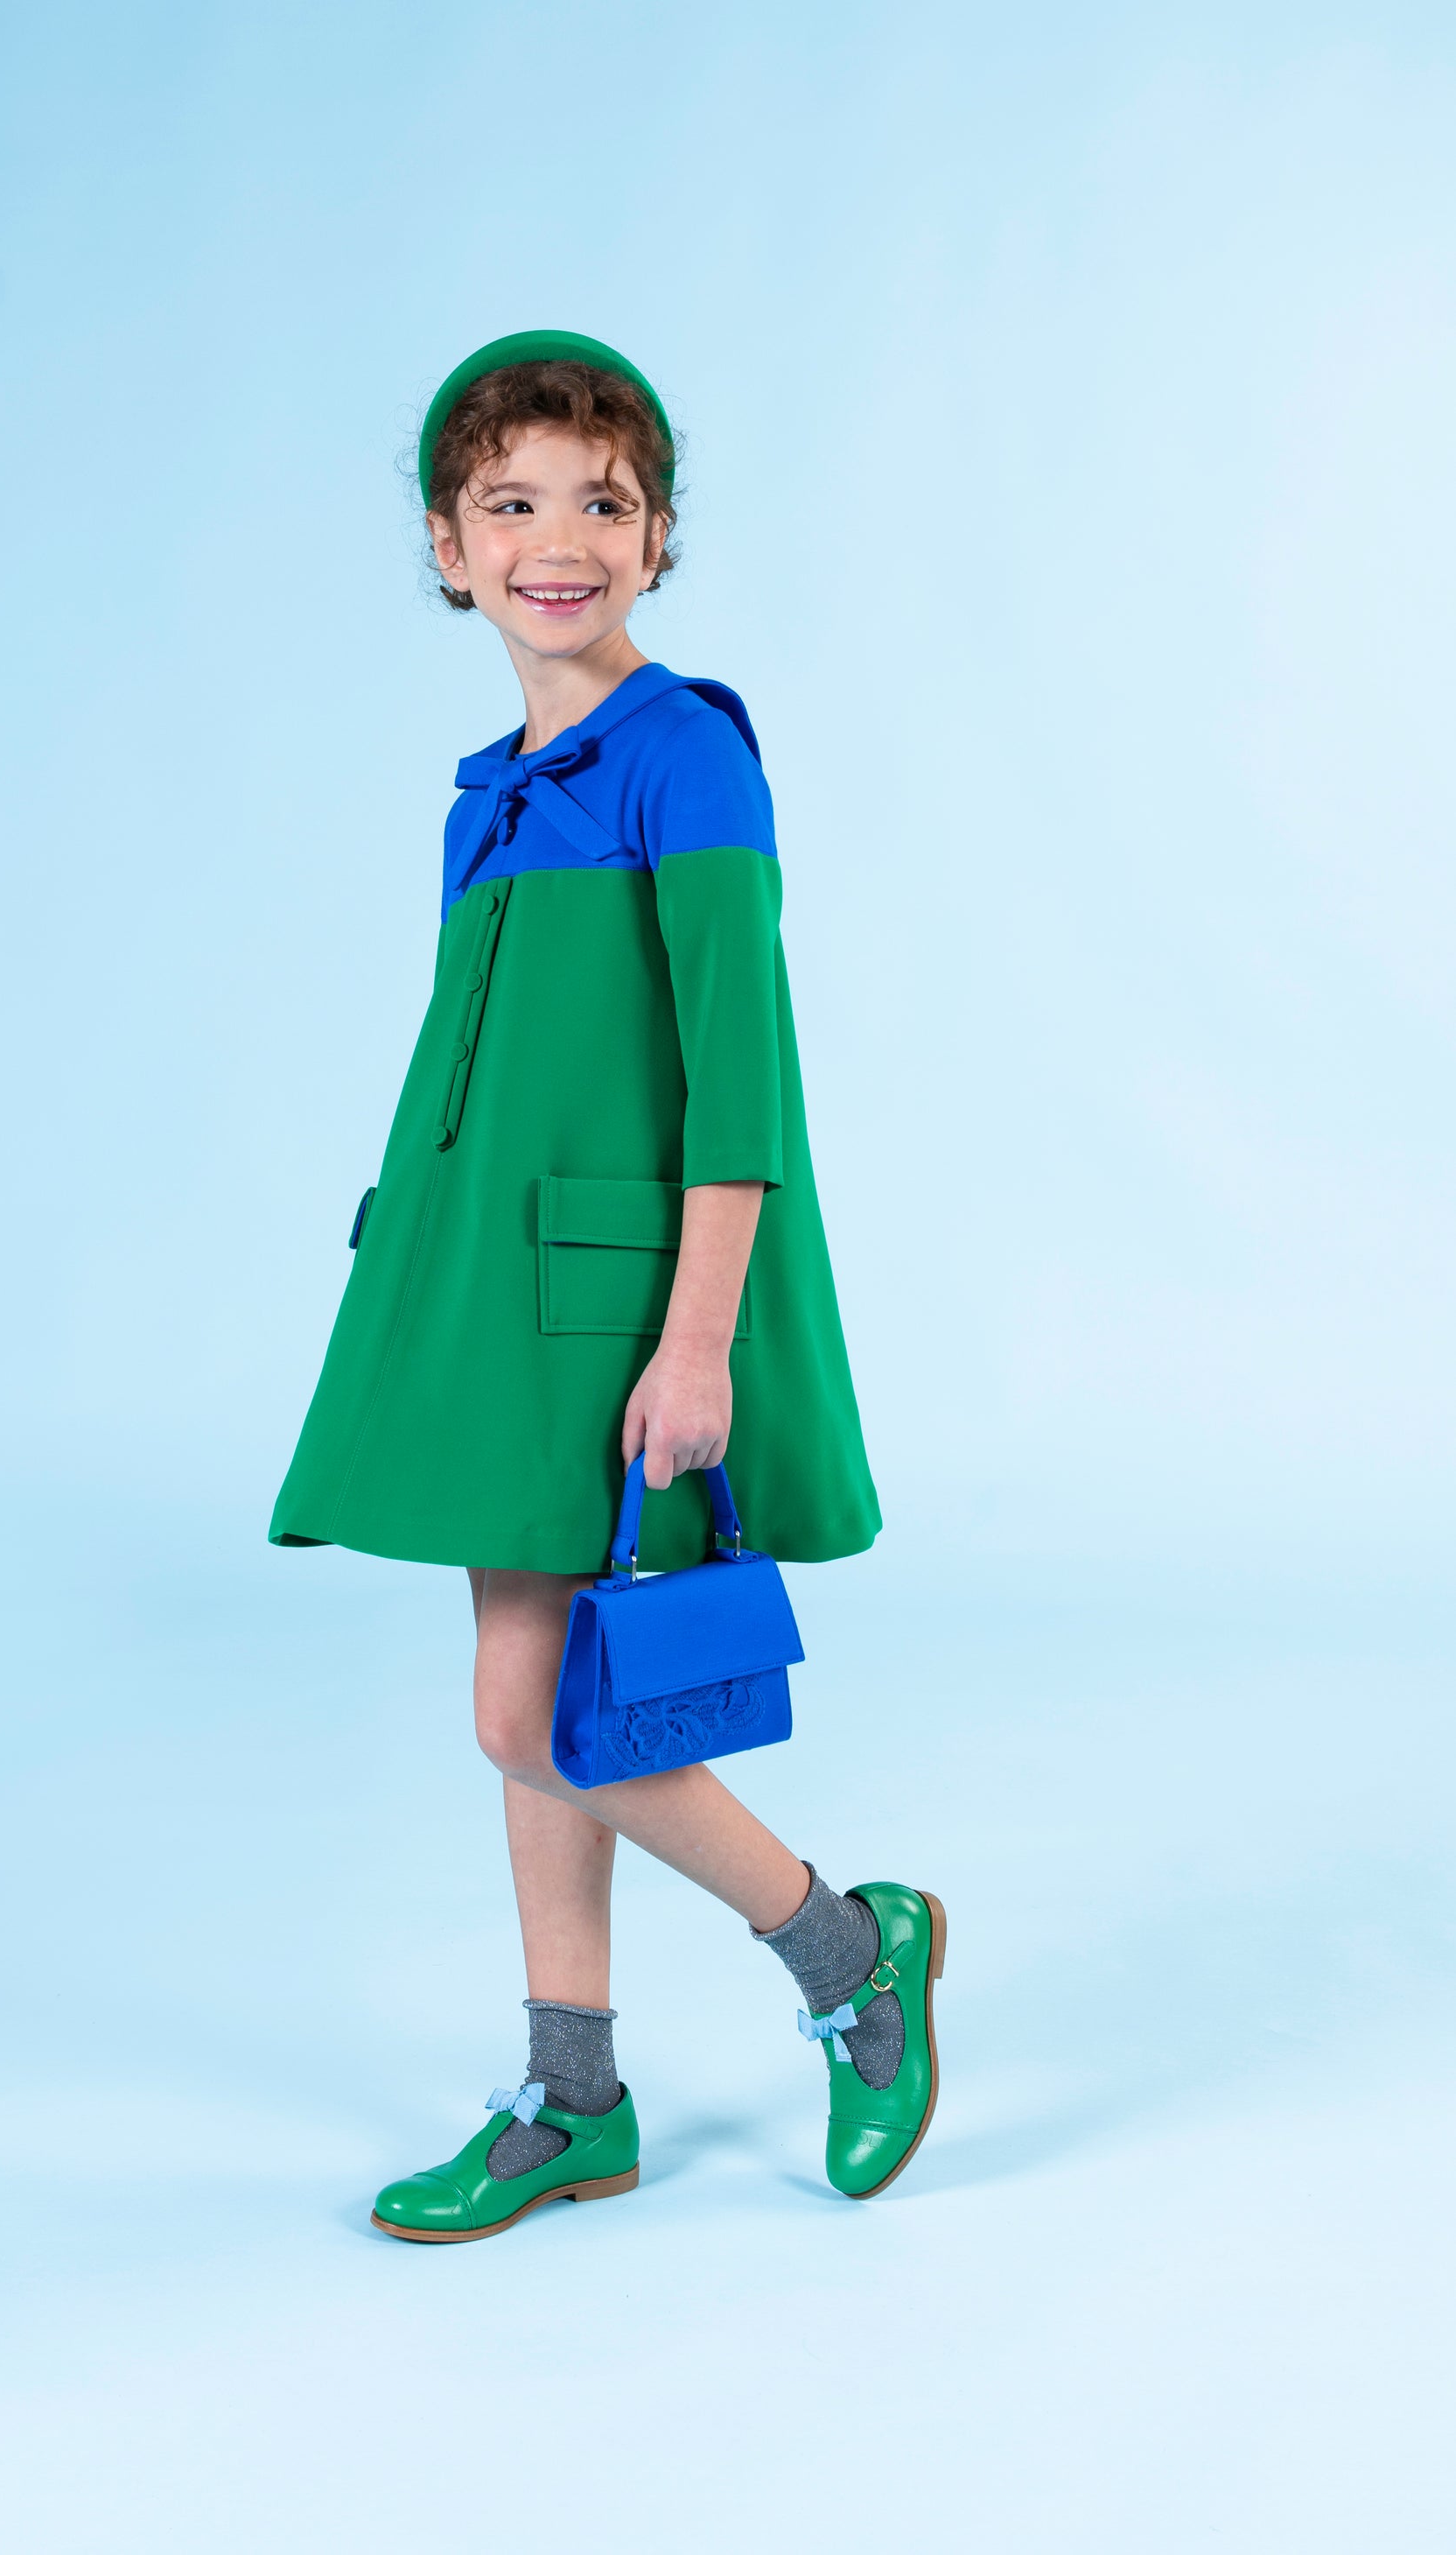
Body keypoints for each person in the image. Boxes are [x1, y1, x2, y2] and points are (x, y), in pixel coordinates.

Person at [270, 330, 943, 2242]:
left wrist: (699, 1335)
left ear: (655, 539)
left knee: (530, 1712)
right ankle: (573, 2095)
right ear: (447, 544)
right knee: (537, 1697)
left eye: (602, 502)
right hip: (495, 1301)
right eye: (510, 504)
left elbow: (741, 1081)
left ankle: (848, 1954)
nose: (556, 541)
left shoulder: (685, 753)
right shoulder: (483, 793)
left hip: (623, 1304)